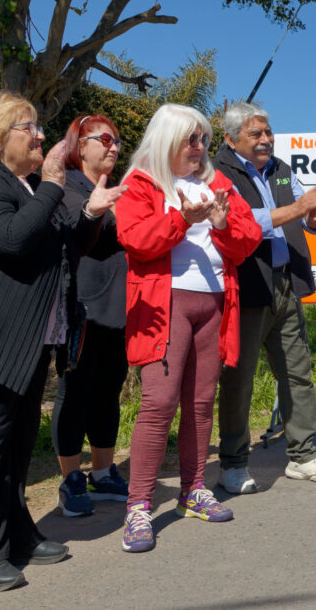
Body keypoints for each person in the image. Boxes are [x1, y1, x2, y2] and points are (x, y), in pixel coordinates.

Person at [0, 90, 123, 591]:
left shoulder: (28, 183)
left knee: (16, 448)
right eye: (29, 127)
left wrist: (91, 214)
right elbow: (13, 238)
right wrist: (55, 188)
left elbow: (67, 245)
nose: (41, 136)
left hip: (28, 341)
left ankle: (18, 536)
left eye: (39, 128)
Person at [115, 103, 261, 553]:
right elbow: (137, 241)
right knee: (158, 403)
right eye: (191, 139)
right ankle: (138, 506)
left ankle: (192, 490)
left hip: (214, 301)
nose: (200, 148)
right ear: (166, 141)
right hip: (166, 303)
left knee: (200, 402)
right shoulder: (141, 183)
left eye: (202, 139)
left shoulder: (218, 183)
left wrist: (220, 225)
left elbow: (248, 238)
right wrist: (184, 218)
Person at [214, 101, 316, 491]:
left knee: (297, 374)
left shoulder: (282, 170)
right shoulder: (219, 172)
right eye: (256, 133)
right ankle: (233, 462)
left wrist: (315, 217)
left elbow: (304, 215)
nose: (266, 139)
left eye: (268, 132)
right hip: (248, 285)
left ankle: (302, 456)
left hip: (287, 284)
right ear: (231, 138)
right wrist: (296, 209)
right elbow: (242, 221)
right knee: (239, 380)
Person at [51, 114, 131, 516]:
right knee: (75, 394)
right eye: (104, 139)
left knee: (107, 394)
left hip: (118, 308)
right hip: (81, 308)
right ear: (80, 145)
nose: (113, 146)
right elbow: (75, 236)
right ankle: (70, 479)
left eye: (117, 141)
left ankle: (102, 473)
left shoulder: (118, 189)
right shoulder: (66, 187)